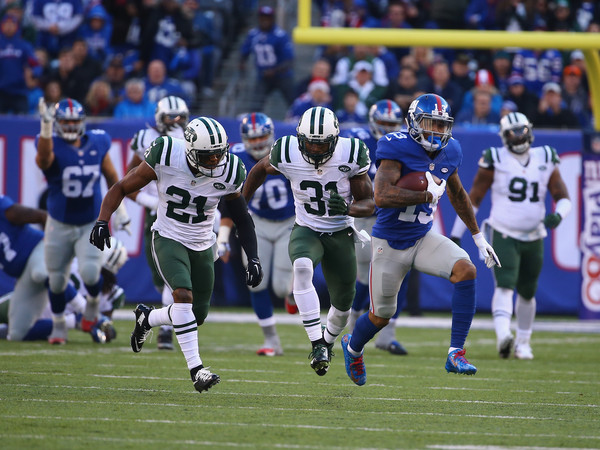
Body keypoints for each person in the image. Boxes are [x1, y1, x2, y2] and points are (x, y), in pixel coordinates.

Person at [89, 116, 263, 393]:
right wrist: (102, 220)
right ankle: (197, 370)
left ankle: (147, 318)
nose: (215, 161)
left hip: (204, 243)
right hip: (169, 237)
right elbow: (122, 186)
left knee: (197, 315)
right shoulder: (168, 153)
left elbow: (241, 217)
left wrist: (253, 256)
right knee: (182, 297)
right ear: (191, 151)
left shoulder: (230, 170)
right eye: (208, 156)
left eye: (220, 154)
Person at [340, 93, 500, 386]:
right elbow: (382, 196)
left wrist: (477, 237)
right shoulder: (395, 146)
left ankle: (456, 353)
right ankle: (353, 348)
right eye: (429, 123)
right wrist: (426, 194)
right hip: (388, 243)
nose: (436, 131)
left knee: (466, 271)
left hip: (422, 238)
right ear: (414, 123)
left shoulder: (451, 150)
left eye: (441, 125)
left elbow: (457, 193)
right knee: (381, 315)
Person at [242, 106, 374, 377]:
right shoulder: (287, 150)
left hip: (341, 232)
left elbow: (370, 204)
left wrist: (348, 209)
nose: (314, 149)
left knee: (343, 306)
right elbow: (258, 170)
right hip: (306, 228)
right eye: (310, 143)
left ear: (335, 140)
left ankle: (326, 343)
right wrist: (241, 207)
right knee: (301, 268)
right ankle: (316, 341)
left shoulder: (351, 153)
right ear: (300, 137)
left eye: (321, 144)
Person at [450, 112, 571, 360]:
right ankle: (504, 335)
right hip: (502, 232)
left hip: (534, 234)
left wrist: (559, 215)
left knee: (528, 290)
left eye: (522, 131)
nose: (519, 137)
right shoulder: (494, 158)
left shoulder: (545, 156)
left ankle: (524, 343)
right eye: (513, 133)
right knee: (504, 285)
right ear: (504, 136)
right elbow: (474, 198)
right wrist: (456, 234)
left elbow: (563, 196)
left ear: (530, 130)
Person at [35, 97, 130, 345]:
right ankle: (58, 325)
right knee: (56, 279)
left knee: (90, 273)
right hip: (59, 222)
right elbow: (43, 161)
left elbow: (112, 177)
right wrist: (45, 129)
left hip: (90, 221)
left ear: (82, 122)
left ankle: (93, 306)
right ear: (56, 124)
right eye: (64, 122)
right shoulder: (50, 143)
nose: (69, 126)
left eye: (73, 121)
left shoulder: (97, 142)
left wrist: (120, 212)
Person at [220, 112, 295, 356]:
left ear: (271, 134)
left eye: (262, 136)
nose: (259, 143)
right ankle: (271, 340)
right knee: (256, 281)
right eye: (253, 138)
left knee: (282, 288)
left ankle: (292, 292)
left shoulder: (285, 153)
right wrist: (222, 238)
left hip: (288, 222)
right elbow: (229, 204)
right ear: (244, 139)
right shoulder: (236, 158)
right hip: (256, 223)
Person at [342, 99, 409, 355]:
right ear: (373, 122)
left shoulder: (406, 145)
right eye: (383, 123)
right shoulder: (357, 141)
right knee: (363, 276)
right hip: (365, 215)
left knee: (401, 273)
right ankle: (354, 321)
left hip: (393, 215)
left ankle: (387, 336)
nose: (389, 128)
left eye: (392, 124)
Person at [125, 95, 190, 350]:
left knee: (176, 278)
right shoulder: (145, 140)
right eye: (169, 118)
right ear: (158, 119)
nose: (175, 122)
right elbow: (127, 182)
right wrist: (150, 202)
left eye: (179, 118)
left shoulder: (195, 137)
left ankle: (164, 329)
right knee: (161, 277)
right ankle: (164, 322)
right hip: (157, 213)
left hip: (188, 211)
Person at [239, 6, 295, 111]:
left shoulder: (280, 35)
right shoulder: (253, 34)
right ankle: (254, 124)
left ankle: (300, 120)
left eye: (267, 17)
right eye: (262, 17)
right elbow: (244, 51)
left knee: (293, 102)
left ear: (272, 19)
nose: (265, 20)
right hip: (263, 76)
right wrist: (242, 62)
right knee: (256, 105)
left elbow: (289, 60)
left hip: (282, 75)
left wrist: (274, 70)